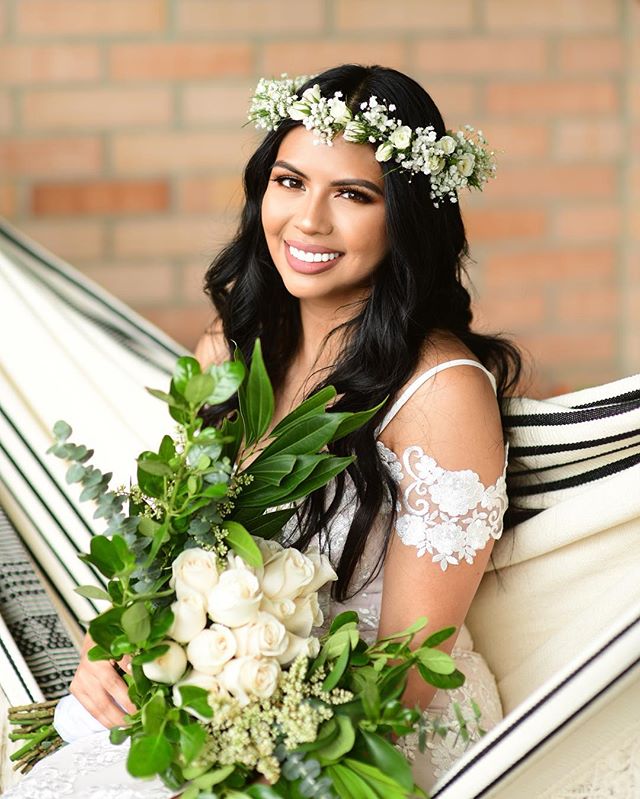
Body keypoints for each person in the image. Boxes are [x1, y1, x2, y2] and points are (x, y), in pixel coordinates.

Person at [6, 64, 521, 798]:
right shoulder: (232, 347)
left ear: (408, 216)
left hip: (366, 730)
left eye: (352, 194)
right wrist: (120, 644)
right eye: (290, 181)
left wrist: (251, 749)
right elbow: (176, 551)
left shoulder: (439, 392)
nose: (308, 221)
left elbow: (409, 663)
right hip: (221, 695)